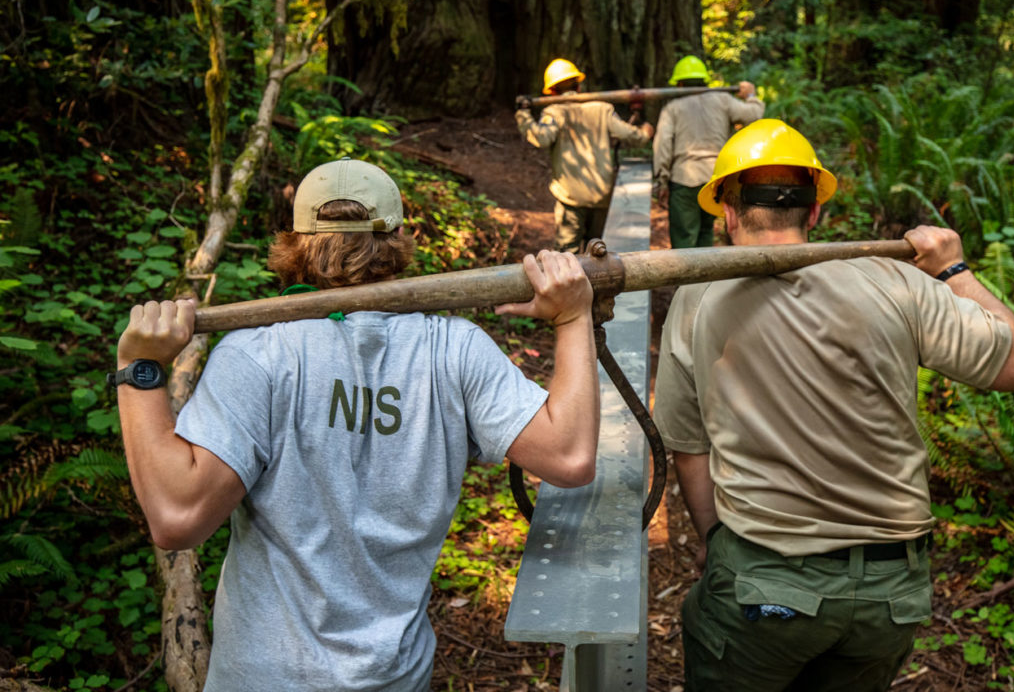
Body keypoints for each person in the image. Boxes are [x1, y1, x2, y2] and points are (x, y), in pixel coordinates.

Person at [110, 158, 601, 691]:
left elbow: (177, 517)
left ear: (292, 243)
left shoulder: (258, 355)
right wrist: (573, 318)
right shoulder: (453, 349)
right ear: (398, 238)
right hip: (394, 677)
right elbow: (569, 456)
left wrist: (139, 373)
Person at [653, 120, 1014, 691]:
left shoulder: (696, 296)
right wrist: (955, 270)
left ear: (727, 214)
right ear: (813, 212)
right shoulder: (895, 283)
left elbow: (687, 447)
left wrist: (715, 544)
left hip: (765, 584)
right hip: (891, 594)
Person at [516, 57, 654, 253]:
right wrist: (645, 133)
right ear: (579, 85)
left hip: (570, 196)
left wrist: (523, 115)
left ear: (552, 91)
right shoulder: (602, 109)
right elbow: (629, 134)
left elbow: (541, 138)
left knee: (567, 253)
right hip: (601, 194)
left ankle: (569, 282)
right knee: (595, 251)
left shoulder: (554, 112)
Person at [652, 55, 765, 249]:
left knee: (684, 240)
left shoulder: (672, 108)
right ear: (705, 80)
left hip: (683, 181)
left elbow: (662, 146)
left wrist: (661, 180)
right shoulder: (722, 100)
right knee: (706, 233)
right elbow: (754, 115)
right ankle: (704, 279)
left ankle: (685, 279)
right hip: (715, 179)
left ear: (679, 84)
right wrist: (751, 96)